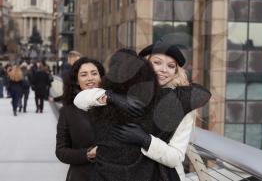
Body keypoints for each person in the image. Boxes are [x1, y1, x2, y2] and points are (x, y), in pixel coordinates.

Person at [74, 42, 211, 181]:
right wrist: (112, 97)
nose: (164, 70)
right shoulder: (123, 89)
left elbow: (175, 157)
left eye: (171, 66)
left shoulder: (179, 102)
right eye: (157, 63)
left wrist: (145, 140)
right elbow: (80, 99)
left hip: (162, 175)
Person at [55, 57, 105, 181]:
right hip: (82, 176)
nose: (90, 78)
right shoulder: (68, 111)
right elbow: (61, 151)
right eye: (84, 75)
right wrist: (88, 154)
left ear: (101, 77)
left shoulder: (115, 105)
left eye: (94, 73)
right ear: (77, 80)